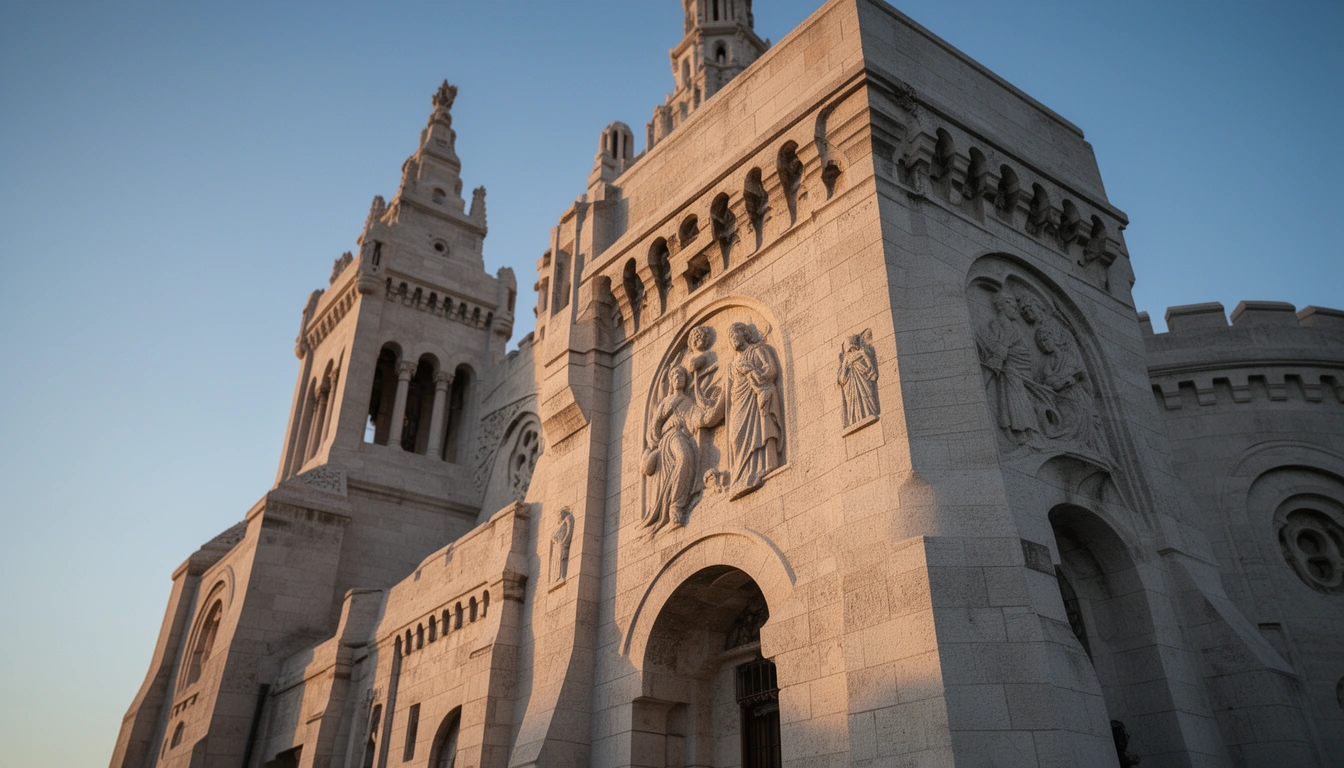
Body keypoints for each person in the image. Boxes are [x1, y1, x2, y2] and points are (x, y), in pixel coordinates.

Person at [642, 366, 723, 533]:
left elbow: (702, 419)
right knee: (684, 457)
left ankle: (677, 504)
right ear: (671, 381)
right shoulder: (666, 402)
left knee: (686, 458)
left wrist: (721, 403)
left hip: (682, 437)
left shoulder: (687, 403)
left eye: (681, 375)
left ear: (686, 380)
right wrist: (666, 428)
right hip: (670, 439)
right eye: (675, 375)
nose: (678, 377)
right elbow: (654, 429)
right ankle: (675, 507)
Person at [727, 323, 784, 498]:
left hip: (756, 394)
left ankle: (764, 466)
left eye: (735, 335)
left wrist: (752, 371)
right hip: (739, 400)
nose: (733, 340)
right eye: (730, 338)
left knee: (761, 428)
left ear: (745, 334)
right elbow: (729, 388)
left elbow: (771, 370)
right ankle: (741, 476)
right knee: (736, 436)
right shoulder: (731, 364)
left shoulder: (757, 350)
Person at [838, 329, 879, 428]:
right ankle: (854, 420)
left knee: (867, 398)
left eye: (853, 349)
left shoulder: (863, 354)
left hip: (864, 383)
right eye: (849, 351)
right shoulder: (846, 363)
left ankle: (870, 413)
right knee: (853, 403)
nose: (852, 352)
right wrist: (844, 364)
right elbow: (842, 380)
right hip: (851, 390)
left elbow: (872, 371)